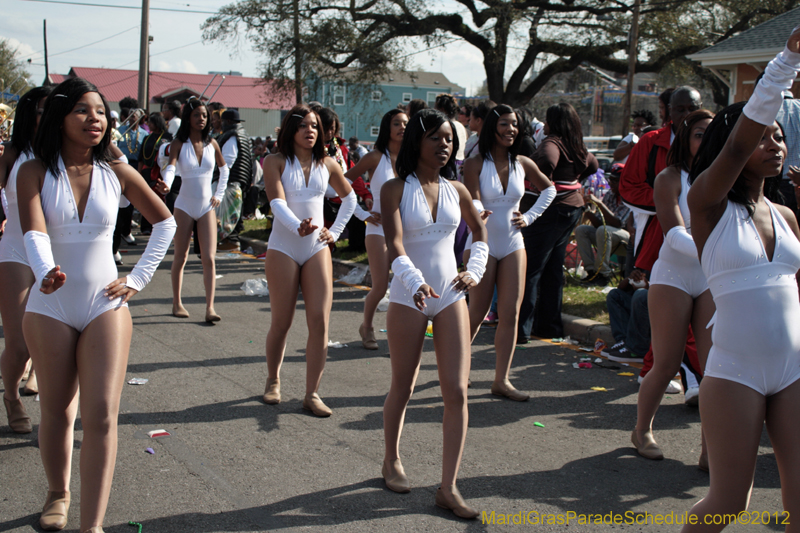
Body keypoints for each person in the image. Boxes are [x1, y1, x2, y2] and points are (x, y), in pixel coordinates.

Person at [17, 76, 176, 533]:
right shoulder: (33, 171)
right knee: (56, 409)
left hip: (105, 305)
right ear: (60, 118)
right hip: (50, 305)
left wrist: (137, 279)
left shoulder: (118, 172)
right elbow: (34, 232)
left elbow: (164, 223)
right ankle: (58, 492)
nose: (95, 119)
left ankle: (93, 525)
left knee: (102, 415)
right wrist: (45, 271)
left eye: (101, 112)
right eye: (83, 110)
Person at [682, 28, 800, 530]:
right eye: (763, 137)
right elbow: (734, 149)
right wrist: (787, 62)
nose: (775, 145)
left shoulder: (787, 215)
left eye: (780, 136)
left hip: (794, 369)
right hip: (735, 373)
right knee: (729, 503)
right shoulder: (706, 205)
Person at [381, 108, 488, 518]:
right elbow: (395, 244)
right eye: (435, 138)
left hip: (451, 296)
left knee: (457, 391)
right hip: (409, 295)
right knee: (404, 386)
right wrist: (414, 282)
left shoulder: (457, 189)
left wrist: (474, 270)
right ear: (416, 141)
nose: (444, 145)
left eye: (449, 139)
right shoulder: (394, 188)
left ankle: (449, 486)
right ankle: (391, 458)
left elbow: (480, 233)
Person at [632, 109, 715, 466]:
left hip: (712, 277)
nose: (705, 140)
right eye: (698, 134)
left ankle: (711, 447)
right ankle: (642, 430)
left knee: (715, 368)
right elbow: (675, 235)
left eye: (711, 134)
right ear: (685, 139)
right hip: (673, 276)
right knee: (665, 364)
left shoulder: (724, 177)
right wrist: (718, 248)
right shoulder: (670, 177)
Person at [261, 105, 356, 416]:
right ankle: (273, 379)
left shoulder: (328, 163)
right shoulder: (274, 161)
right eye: (303, 125)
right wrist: (296, 226)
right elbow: (276, 201)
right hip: (283, 247)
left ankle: (312, 393)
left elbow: (350, 198)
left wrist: (335, 232)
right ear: (291, 129)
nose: (310, 130)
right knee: (282, 321)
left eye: (314, 125)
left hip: (316, 248)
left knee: (319, 321)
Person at [462, 104, 555, 401]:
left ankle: (501, 380)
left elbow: (550, 190)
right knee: (476, 312)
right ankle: (458, 370)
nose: (511, 129)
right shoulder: (475, 163)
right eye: (504, 123)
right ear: (492, 127)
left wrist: (530, 217)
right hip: (483, 243)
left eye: (514, 124)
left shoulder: (523, 162)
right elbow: (472, 197)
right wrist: (478, 211)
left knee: (511, 314)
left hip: (514, 243)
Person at [518, 103, 598, 342]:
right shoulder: (576, 144)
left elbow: (546, 161)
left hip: (550, 212)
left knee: (531, 269)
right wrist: (572, 181)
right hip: (571, 209)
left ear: (552, 122)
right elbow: (592, 164)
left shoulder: (551, 143)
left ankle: (521, 329)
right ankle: (548, 327)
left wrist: (541, 182)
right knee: (552, 269)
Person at [0, 85, 51, 434]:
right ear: (29, 113)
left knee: (49, 338)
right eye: (42, 110)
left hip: (54, 253)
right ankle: (11, 397)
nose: (49, 117)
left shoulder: (64, 153)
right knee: (18, 343)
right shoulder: (12, 153)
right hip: (16, 249)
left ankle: (52, 408)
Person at [345, 109, 408, 350]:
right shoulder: (375, 157)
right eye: (396, 123)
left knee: (405, 285)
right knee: (380, 286)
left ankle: (400, 333)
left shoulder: (414, 158)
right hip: (378, 228)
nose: (402, 127)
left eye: (405, 123)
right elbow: (343, 183)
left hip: (407, 228)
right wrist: (362, 213)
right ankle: (367, 326)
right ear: (387, 128)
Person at [163, 97, 229, 322]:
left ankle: (210, 308)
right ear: (187, 118)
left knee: (209, 258)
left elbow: (224, 170)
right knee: (180, 256)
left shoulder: (213, 144)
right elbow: (171, 167)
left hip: (206, 207)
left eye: (204, 115)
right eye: (196, 115)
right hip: (183, 206)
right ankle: (177, 303)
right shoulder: (178, 143)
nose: (201, 119)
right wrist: (166, 184)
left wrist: (219, 194)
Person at [575, 164, 632, 285]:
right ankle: (591, 272)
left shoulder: (630, 196)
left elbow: (618, 223)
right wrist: (586, 208)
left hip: (628, 240)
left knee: (603, 230)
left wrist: (599, 204)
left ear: (624, 181)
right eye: (610, 180)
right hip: (608, 236)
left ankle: (603, 274)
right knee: (581, 230)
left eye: (615, 181)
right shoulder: (610, 194)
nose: (611, 184)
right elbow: (598, 223)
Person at [216, 108, 254, 252]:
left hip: (231, 180)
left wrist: (221, 177)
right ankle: (230, 240)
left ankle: (231, 240)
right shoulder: (243, 134)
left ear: (228, 121)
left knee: (227, 212)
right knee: (232, 211)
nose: (221, 124)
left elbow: (228, 161)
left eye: (222, 121)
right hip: (239, 179)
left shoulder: (232, 136)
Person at [137, 112, 173, 235]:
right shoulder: (147, 138)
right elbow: (141, 158)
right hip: (147, 172)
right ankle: (146, 226)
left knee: (161, 199)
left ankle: (161, 225)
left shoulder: (168, 137)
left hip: (161, 172)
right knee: (147, 199)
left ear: (157, 123)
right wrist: (139, 173)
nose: (148, 124)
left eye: (151, 122)